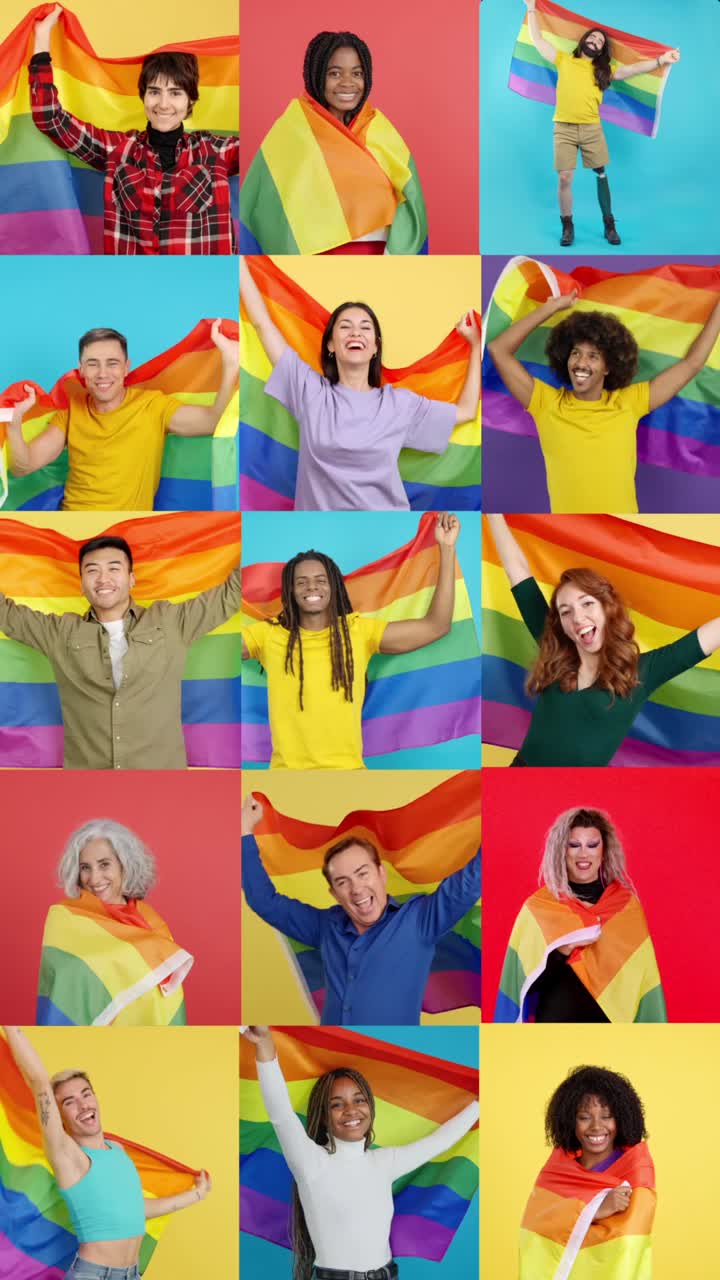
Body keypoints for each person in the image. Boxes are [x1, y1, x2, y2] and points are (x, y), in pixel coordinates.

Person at [241, 256, 480, 510]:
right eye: (345, 327)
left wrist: (475, 346)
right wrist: (239, 264)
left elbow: (465, 411)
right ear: (331, 345)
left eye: (365, 328)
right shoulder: (308, 391)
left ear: (375, 346)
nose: (356, 332)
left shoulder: (399, 404)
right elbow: (262, 324)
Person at [244, 1025, 479, 1280]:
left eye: (359, 1100)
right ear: (323, 1116)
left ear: (370, 1107)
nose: (351, 1110)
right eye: (337, 1104)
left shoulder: (385, 1162)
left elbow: (440, 1141)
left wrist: (480, 1104)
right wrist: (264, 1045)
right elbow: (281, 1115)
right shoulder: (312, 1163)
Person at [485, 514, 720, 766]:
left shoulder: (642, 671)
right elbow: (517, 569)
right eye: (566, 611)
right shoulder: (554, 649)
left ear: (607, 609)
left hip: (575, 794)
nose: (578, 617)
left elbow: (704, 639)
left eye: (587, 603)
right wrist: (492, 511)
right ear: (561, 624)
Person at [0, 533, 240, 769]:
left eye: (114, 569)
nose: (103, 579)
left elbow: (231, 594)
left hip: (161, 778)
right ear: (81, 583)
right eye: (92, 570)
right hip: (86, 781)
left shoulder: (171, 622)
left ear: (131, 578)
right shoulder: (60, 632)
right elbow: (6, 614)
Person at [241, 512, 462, 768]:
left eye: (320, 580)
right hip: (284, 776)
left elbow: (436, 626)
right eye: (301, 582)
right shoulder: (268, 635)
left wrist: (446, 549)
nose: (311, 587)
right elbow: (216, 645)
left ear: (333, 587)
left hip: (349, 774)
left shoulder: (358, 631)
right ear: (290, 591)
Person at [242, 794, 480, 1025]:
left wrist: (503, 821)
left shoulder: (418, 920)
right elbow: (264, 901)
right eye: (343, 882)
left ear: (381, 874)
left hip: (390, 1054)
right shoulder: (325, 926)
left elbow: (468, 884)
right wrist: (244, 832)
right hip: (336, 1056)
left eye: (362, 874)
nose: (356, 889)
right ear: (334, 894)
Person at [3, 1025, 211, 1280]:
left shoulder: (118, 1152)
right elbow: (40, 1084)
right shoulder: (69, 1157)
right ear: (59, 1117)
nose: (82, 1105)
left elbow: (136, 1210)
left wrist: (197, 1194)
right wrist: (11, 1026)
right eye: (69, 1103)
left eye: (86, 1094)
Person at [29, 5, 239, 255]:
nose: (163, 104)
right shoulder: (119, 149)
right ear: (143, 96)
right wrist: (42, 39)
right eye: (154, 92)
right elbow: (50, 118)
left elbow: (272, 152)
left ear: (190, 100)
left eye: (175, 93)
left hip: (198, 289)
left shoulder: (216, 151)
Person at [486, 290, 720, 513]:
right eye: (575, 353)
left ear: (608, 367)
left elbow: (693, 364)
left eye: (593, 356)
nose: (581, 363)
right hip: (573, 536)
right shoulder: (546, 403)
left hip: (620, 534)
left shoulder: (629, 402)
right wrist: (551, 307)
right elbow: (499, 349)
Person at [6, 322, 239, 510]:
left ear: (126, 367)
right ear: (82, 369)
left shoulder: (152, 405)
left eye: (112, 363)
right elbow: (22, 467)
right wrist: (14, 423)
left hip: (127, 530)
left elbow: (212, 422)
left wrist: (231, 365)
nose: (103, 373)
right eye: (93, 364)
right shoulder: (70, 414)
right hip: (73, 524)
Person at [241, 30, 427, 255]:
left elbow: (411, 207)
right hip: (313, 266)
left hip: (379, 265)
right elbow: (262, 209)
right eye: (335, 73)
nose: (348, 83)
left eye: (357, 73)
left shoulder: (381, 132)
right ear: (316, 75)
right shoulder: (292, 132)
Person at [522, 0, 680, 245]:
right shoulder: (564, 59)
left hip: (591, 129)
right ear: (584, 40)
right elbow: (538, 40)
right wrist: (531, 8)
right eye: (593, 38)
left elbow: (633, 69)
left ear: (601, 50)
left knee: (601, 174)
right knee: (564, 177)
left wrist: (661, 60)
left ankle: (609, 224)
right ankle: (567, 226)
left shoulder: (604, 71)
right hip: (563, 128)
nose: (595, 42)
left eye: (600, 42)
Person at [494, 807, 666, 1023]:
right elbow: (523, 986)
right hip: (556, 1029)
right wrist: (562, 951)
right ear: (561, 851)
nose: (583, 853)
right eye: (573, 845)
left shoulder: (625, 907)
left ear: (604, 850)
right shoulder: (539, 908)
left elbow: (642, 981)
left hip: (610, 1032)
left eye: (592, 845)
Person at [38, 818, 193, 1026]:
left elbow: (166, 999)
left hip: (149, 1043)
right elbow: (64, 985)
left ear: (124, 864)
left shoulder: (150, 922)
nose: (94, 878)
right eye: (85, 867)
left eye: (104, 865)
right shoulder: (65, 918)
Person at [520, 1065, 655, 1279]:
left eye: (607, 1116)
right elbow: (536, 1229)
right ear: (569, 1121)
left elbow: (630, 1245)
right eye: (584, 1117)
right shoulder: (557, 1171)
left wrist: (581, 1211)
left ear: (621, 1119)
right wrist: (595, 1209)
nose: (596, 1126)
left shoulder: (635, 1171)